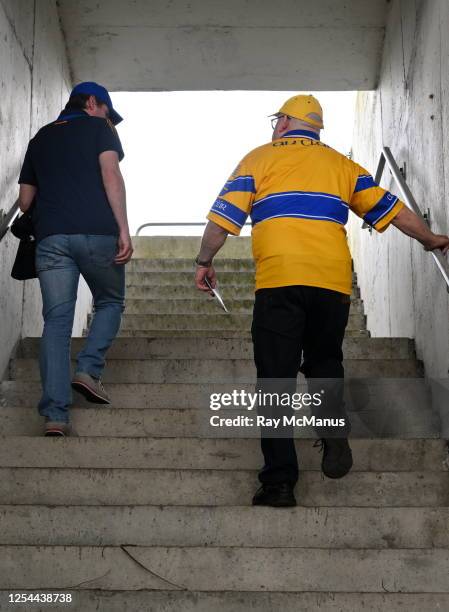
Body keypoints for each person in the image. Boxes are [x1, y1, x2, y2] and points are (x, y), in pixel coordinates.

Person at [195, 94, 449, 507]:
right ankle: (333, 430)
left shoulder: (258, 159)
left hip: (279, 281)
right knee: (324, 362)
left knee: (275, 380)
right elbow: (394, 210)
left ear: (282, 124)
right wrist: (431, 239)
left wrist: (204, 261)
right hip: (332, 284)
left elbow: (220, 223)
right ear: (315, 129)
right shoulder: (342, 166)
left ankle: (279, 484)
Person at [17, 81, 133, 437]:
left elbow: (24, 201)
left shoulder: (40, 137)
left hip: (51, 238)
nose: (108, 119)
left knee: (55, 323)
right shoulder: (100, 130)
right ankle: (87, 370)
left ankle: (55, 415)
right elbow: (111, 174)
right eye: (106, 112)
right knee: (110, 300)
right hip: (98, 233)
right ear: (93, 102)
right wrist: (124, 230)